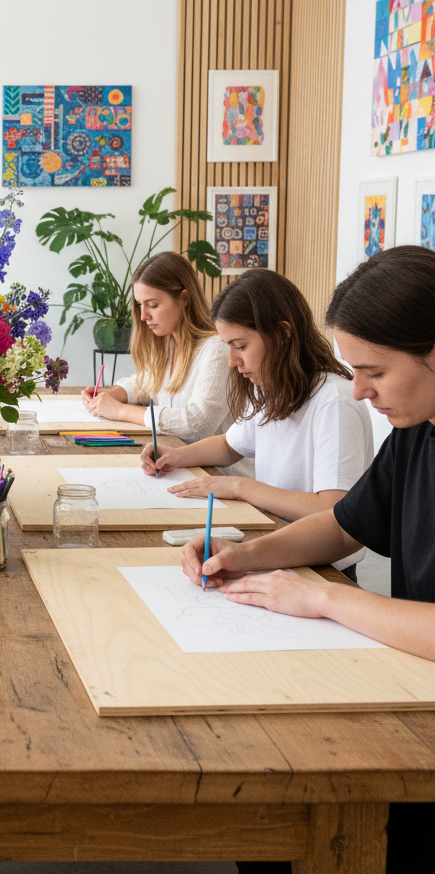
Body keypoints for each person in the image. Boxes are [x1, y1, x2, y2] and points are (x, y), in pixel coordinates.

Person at [179, 244, 435, 873]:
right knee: (269, 799)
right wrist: (248, 554)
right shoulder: (415, 434)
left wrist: (322, 596)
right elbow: (345, 525)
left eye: (374, 371)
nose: (360, 392)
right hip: (410, 678)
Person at [142, 267, 372, 576]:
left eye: (240, 346)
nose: (232, 361)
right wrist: (174, 456)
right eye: (228, 346)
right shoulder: (269, 386)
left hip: (322, 566)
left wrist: (242, 487)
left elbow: (333, 511)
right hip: (274, 545)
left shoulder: (335, 401)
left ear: (282, 335)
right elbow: (230, 445)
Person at [80, 252, 252, 476]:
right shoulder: (170, 343)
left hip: (219, 475)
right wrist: (115, 393)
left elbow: (197, 423)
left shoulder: (217, 348)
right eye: (140, 305)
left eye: (152, 305)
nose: (143, 316)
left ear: (184, 298)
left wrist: (120, 411)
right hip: (182, 468)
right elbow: (147, 382)